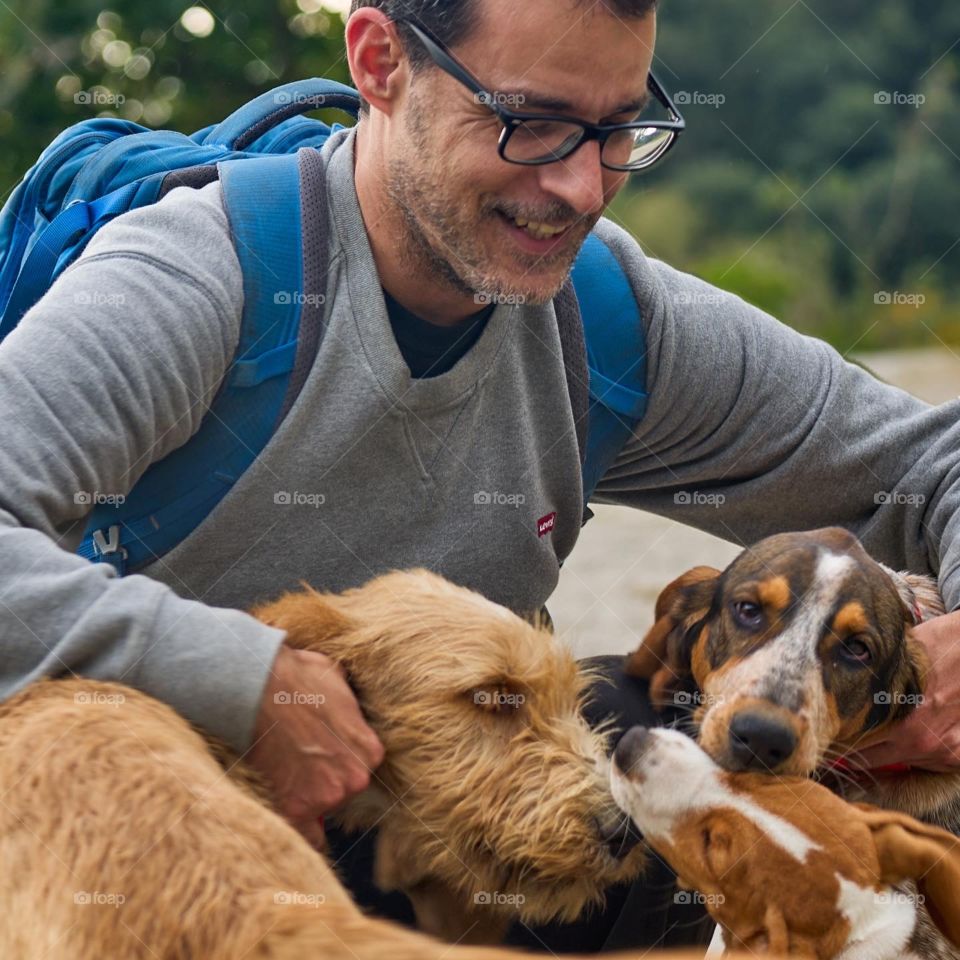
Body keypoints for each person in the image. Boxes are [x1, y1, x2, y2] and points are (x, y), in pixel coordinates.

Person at [1, 0, 959, 951]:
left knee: (664, 732)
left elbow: (932, 460)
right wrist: (248, 685)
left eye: (620, 130)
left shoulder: (605, 319)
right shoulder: (198, 278)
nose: (582, 187)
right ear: (380, 62)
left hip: (443, 847)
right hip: (118, 852)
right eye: (528, 123)